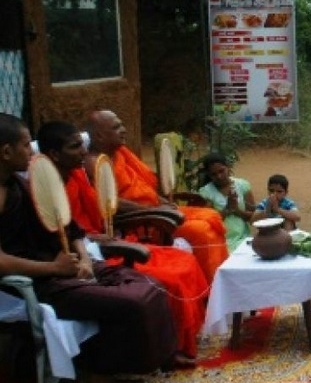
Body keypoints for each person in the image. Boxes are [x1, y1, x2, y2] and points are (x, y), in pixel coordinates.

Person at [0, 113, 176, 383]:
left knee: (150, 286)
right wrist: (54, 269)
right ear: (6, 152)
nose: (33, 151)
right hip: (35, 281)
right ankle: (97, 380)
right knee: (130, 305)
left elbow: (71, 229)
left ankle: (139, 362)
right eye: (27, 145)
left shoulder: (24, 183)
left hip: (67, 267)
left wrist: (82, 258)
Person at [38, 120, 208, 365]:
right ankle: (164, 352)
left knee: (184, 260)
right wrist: (92, 247)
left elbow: (82, 224)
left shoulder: (76, 175)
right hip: (86, 257)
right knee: (163, 280)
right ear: (54, 154)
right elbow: (69, 233)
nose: (84, 151)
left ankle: (178, 342)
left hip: (96, 246)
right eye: (76, 147)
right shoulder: (42, 191)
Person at [84, 110, 228, 283]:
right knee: (201, 231)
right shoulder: (95, 163)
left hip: (155, 210)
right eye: (116, 127)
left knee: (211, 215)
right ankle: (212, 288)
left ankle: (223, 284)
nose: (124, 130)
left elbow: (143, 186)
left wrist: (163, 202)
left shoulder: (121, 153)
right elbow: (109, 202)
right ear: (99, 136)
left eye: (121, 125)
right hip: (143, 221)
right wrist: (153, 209)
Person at [198, 153, 256, 251]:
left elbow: (254, 219)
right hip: (219, 243)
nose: (219, 176)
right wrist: (227, 209)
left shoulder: (242, 185)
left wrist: (237, 210)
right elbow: (208, 224)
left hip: (243, 239)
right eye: (214, 174)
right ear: (208, 175)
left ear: (228, 167)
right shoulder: (205, 193)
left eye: (221, 171)